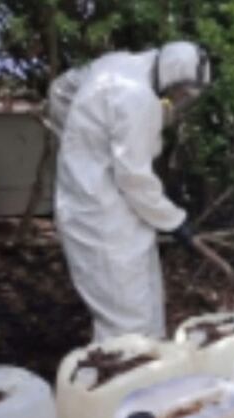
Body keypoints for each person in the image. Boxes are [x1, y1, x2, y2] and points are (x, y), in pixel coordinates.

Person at [49, 41, 211, 342]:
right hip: (99, 218)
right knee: (127, 325)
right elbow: (134, 178)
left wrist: (77, 142)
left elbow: (60, 90)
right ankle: (119, 385)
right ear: (173, 75)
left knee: (147, 303)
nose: (179, 99)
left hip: (117, 208)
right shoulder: (137, 98)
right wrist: (176, 222)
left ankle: (150, 378)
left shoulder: (115, 65)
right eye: (182, 92)